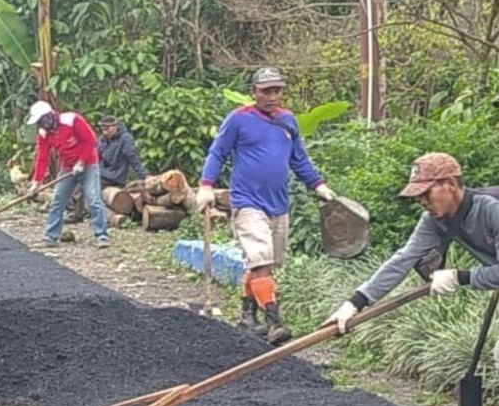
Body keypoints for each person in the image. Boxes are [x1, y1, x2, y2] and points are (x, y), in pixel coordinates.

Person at [195, 67, 335, 344]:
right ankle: (274, 321)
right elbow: (218, 152)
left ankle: (248, 316)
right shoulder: (238, 120)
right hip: (248, 201)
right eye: (266, 91)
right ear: (254, 93)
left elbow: (298, 159)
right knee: (261, 258)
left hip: (278, 203)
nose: (272, 96)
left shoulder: (288, 121)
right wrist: (206, 185)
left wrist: (318, 185)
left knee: (265, 264)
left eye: (277, 90)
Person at [327, 153, 499, 333]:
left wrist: (460, 277)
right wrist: (355, 303)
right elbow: (403, 259)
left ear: (451, 184)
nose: (422, 202)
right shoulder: (434, 220)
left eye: (426, 193)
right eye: (418, 197)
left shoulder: (492, 209)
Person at [27, 100, 110, 249]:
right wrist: (36, 182)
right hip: (67, 167)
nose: (42, 124)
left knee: (93, 199)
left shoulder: (72, 120)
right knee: (58, 200)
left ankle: (101, 235)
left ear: (50, 115)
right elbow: (42, 157)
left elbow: (90, 141)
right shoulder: (43, 133)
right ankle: (51, 236)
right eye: (39, 122)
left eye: (42, 120)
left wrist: (81, 162)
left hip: (89, 164)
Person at [97, 115, 147, 189]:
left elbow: (132, 157)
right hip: (100, 173)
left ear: (115, 127)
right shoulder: (104, 139)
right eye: (103, 130)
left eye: (107, 129)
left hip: (114, 178)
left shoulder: (125, 138)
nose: (105, 133)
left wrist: (145, 175)